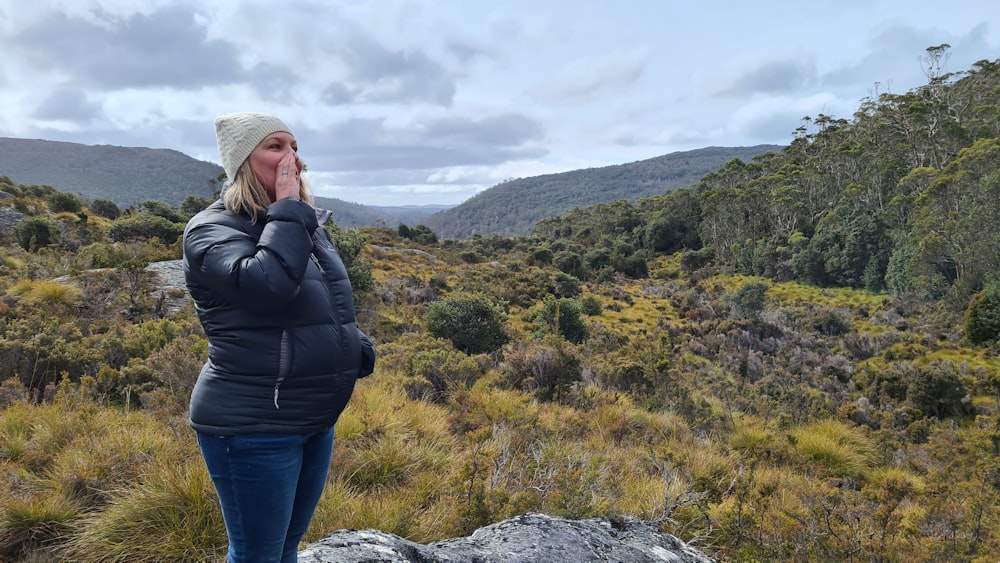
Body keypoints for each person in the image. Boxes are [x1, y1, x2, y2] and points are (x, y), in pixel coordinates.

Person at [182, 112, 376, 562]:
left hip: (310, 419)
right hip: (253, 425)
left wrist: (354, 349)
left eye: (295, 146)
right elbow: (267, 286)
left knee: (286, 548)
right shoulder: (212, 229)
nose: (294, 160)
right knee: (257, 556)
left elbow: (326, 300)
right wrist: (289, 210)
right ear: (243, 161)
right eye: (275, 147)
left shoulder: (304, 226)